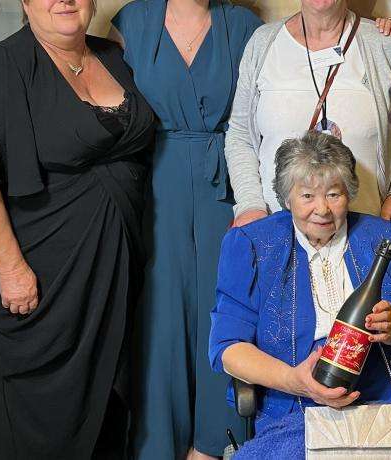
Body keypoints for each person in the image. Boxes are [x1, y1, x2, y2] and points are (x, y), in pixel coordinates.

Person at [0, 0, 156, 457]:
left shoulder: (113, 56)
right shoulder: (0, 70)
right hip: (42, 281)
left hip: (109, 268)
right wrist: (11, 269)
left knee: (107, 398)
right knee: (44, 415)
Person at [209, 131, 391, 459]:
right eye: (308, 196)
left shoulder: (389, 239)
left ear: (350, 193)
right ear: (286, 198)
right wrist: (295, 380)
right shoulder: (252, 246)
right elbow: (227, 348)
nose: (322, 209)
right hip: (298, 405)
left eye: (334, 194)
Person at [108, 1, 263, 458]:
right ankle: (157, 441)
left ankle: (219, 439)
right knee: (160, 312)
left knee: (224, 306)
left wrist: (380, 26)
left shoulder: (245, 26)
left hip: (228, 184)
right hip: (157, 183)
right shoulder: (132, 21)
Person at [225, 0, 391, 228]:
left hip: (364, 231)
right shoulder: (262, 43)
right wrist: (250, 204)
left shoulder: (386, 45)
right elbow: (240, 135)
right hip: (277, 233)